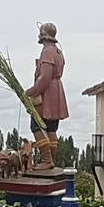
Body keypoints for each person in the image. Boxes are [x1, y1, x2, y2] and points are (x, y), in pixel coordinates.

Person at [24, 21, 69, 172]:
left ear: (43, 35)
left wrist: (31, 91)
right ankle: (50, 160)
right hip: (56, 92)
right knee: (51, 127)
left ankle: (47, 160)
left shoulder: (47, 52)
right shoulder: (58, 51)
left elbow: (44, 78)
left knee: (37, 125)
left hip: (47, 94)